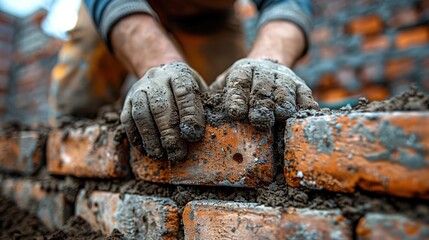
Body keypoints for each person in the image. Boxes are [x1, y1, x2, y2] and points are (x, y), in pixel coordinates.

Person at [50, 0, 319, 162]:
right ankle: (70, 167)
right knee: (79, 103)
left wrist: (269, 59)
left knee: (230, 109)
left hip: (208, 21)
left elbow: (286, 3)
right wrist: (157, 65)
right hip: (123, 9)